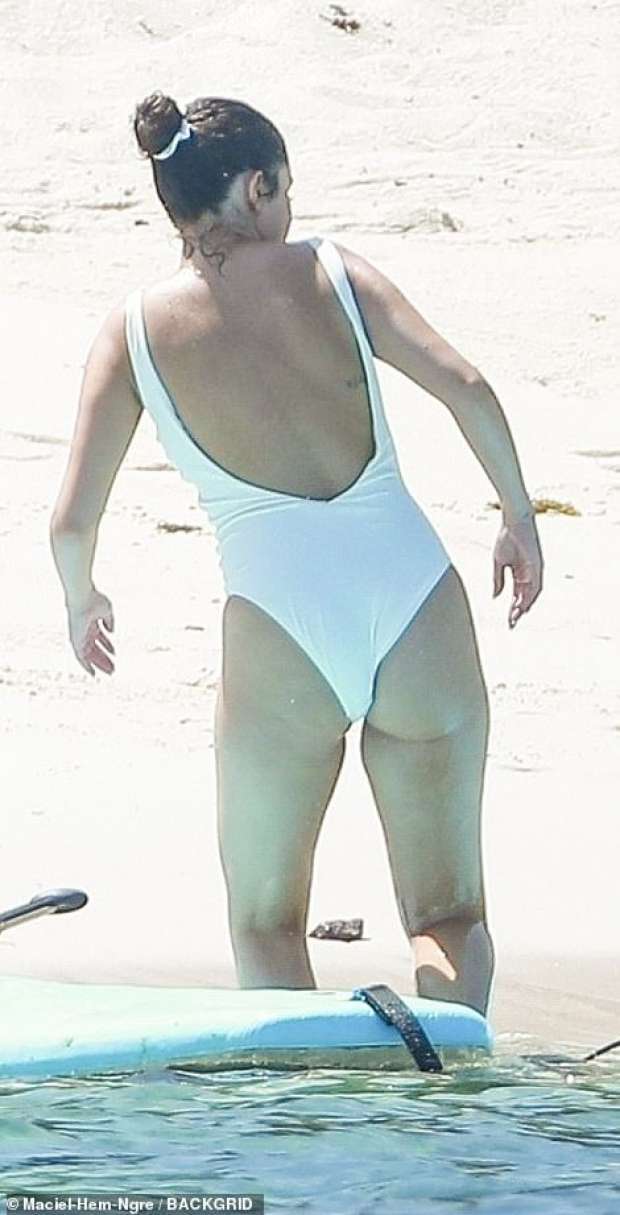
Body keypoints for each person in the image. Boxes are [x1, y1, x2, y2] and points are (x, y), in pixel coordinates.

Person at [50, 93, 543, 1015]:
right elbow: (466, 385)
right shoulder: (334, 271)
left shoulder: (132, 332)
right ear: (257, 185)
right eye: (285, 190)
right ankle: (448, 1081)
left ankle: (308, 1092)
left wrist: (85, 597)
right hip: (413, 599)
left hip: (281, 629)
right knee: (448, 912)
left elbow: (71, 522)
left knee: (266, 923)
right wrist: (518, 517)